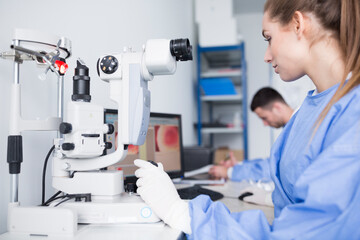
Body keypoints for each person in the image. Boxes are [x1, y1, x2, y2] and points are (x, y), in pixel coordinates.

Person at [134, 0, 360, 238]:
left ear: (297, 24)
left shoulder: (353, 118)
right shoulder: (312, 109)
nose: (266, 55)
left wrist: (183, 213)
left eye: (268, 38)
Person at [209, 87, 294, 181]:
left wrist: (229, 172)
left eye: (264, 118)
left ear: (277, 108)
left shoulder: (298, 129)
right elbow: (273, 162)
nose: (264, 124)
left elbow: (274, 170)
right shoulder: (290, 128)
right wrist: (239, 166)